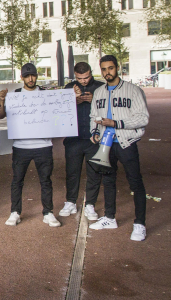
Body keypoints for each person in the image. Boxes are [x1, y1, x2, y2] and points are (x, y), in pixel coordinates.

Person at [87, 55, 149, 241]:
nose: (107, 72)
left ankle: (139, 224)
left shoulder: (133, 90)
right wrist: (94, 132)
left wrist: (116, 122)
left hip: (126, 143)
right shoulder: (98, 92)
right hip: (105, 145)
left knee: (135, 183)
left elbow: (143, 118)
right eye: (104, 69)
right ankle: (110, 217)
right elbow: (94, 116)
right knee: (108, 181)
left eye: (111, 68)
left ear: (117, 68)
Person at [0, 63, 61, 228]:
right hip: (21, 146)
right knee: (17, 181)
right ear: (22, 78)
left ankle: (48, 212)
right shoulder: (15, 95)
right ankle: (15, 212)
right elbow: (2, 115)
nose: (30, 79)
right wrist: (2, 101)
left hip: (44, 145)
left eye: (33, 75)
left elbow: (59, 112)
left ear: (36, 76)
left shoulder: (46, 95)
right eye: (27, 76)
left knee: (46, 180)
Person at [59, 62, 104, 218]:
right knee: (72, 172)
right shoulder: (68, 88)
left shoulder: (100, 87)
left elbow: (110, 109)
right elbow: (59, 110)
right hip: (73, 138)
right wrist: (72, 100)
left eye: (86, 77)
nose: (84, 81)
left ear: (91, 73)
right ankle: (70, 202)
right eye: (80, 78)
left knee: (94, 172)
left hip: (94, 138)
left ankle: (90, 204)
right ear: (74, 75)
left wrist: (95, 100)